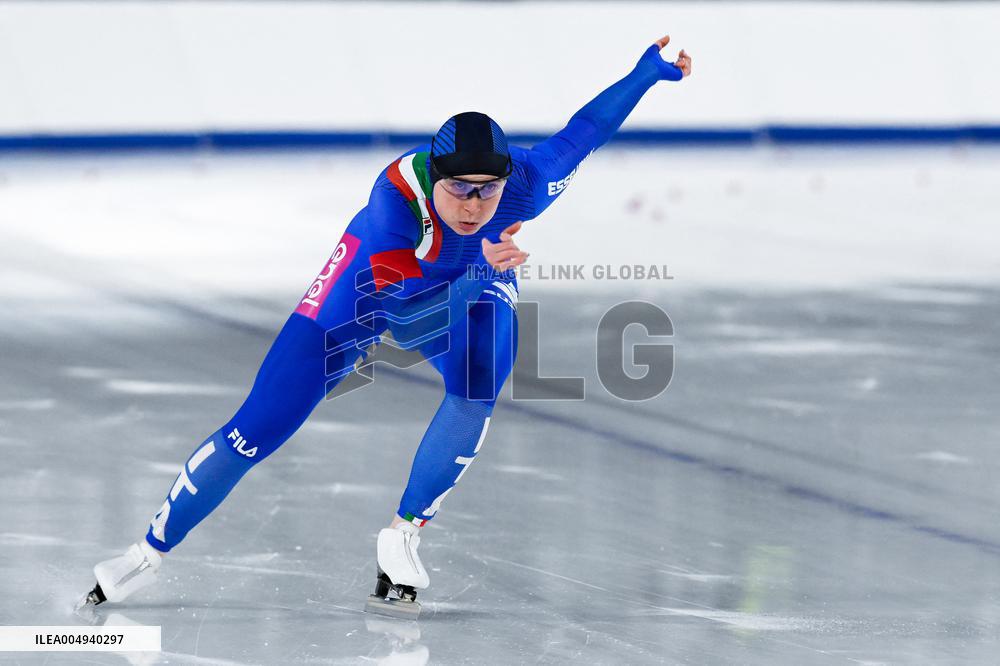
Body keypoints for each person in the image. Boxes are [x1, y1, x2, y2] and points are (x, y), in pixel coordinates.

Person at [79, 35, 692, 617]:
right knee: (255, 430)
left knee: (481, 378)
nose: (474, 204)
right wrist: (481, 266)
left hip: (468, 284)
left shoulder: (526, 184)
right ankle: (147, 553)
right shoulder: (397, 203)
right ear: (436, 176)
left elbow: (586, 131)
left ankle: (403, 534)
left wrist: (645, 74)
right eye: (460, 188)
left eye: (488, 191)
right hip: (363, 296)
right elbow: (404, 314)